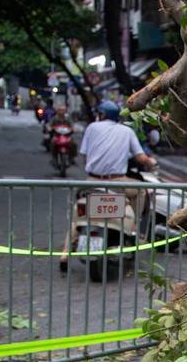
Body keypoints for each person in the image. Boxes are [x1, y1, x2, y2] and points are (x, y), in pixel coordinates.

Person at [58, 101, 157, 271]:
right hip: (118, 182)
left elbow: (85, 157)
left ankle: (65, 253)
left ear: (102, 114)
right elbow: (141, 157)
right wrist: (151, 162)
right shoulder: (127, 131)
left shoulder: (91, 128)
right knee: (141, 191)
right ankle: (134, 227)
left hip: (92, 181)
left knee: (77, 215)